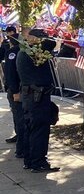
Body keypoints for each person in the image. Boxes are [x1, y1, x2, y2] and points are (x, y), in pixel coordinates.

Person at [17, 28, 59, 172]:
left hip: (32, 96)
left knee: (31, 129)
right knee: (39, 129)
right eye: (40, 38)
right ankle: (38, 161)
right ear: (33, 38)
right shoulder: (32, 53)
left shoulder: (26, 52)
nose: (43, 41)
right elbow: (51, 44)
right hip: (37, 97)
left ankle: (30, 160)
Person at [3, 29, 24, 158]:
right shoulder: (13, 53)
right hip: (16, 89)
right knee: (19, 117)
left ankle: (21, 143)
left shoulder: (17, 52)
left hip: (19, 89)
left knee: (20, 117)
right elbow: (10, 73)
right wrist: (15, 90)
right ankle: (21, 147)